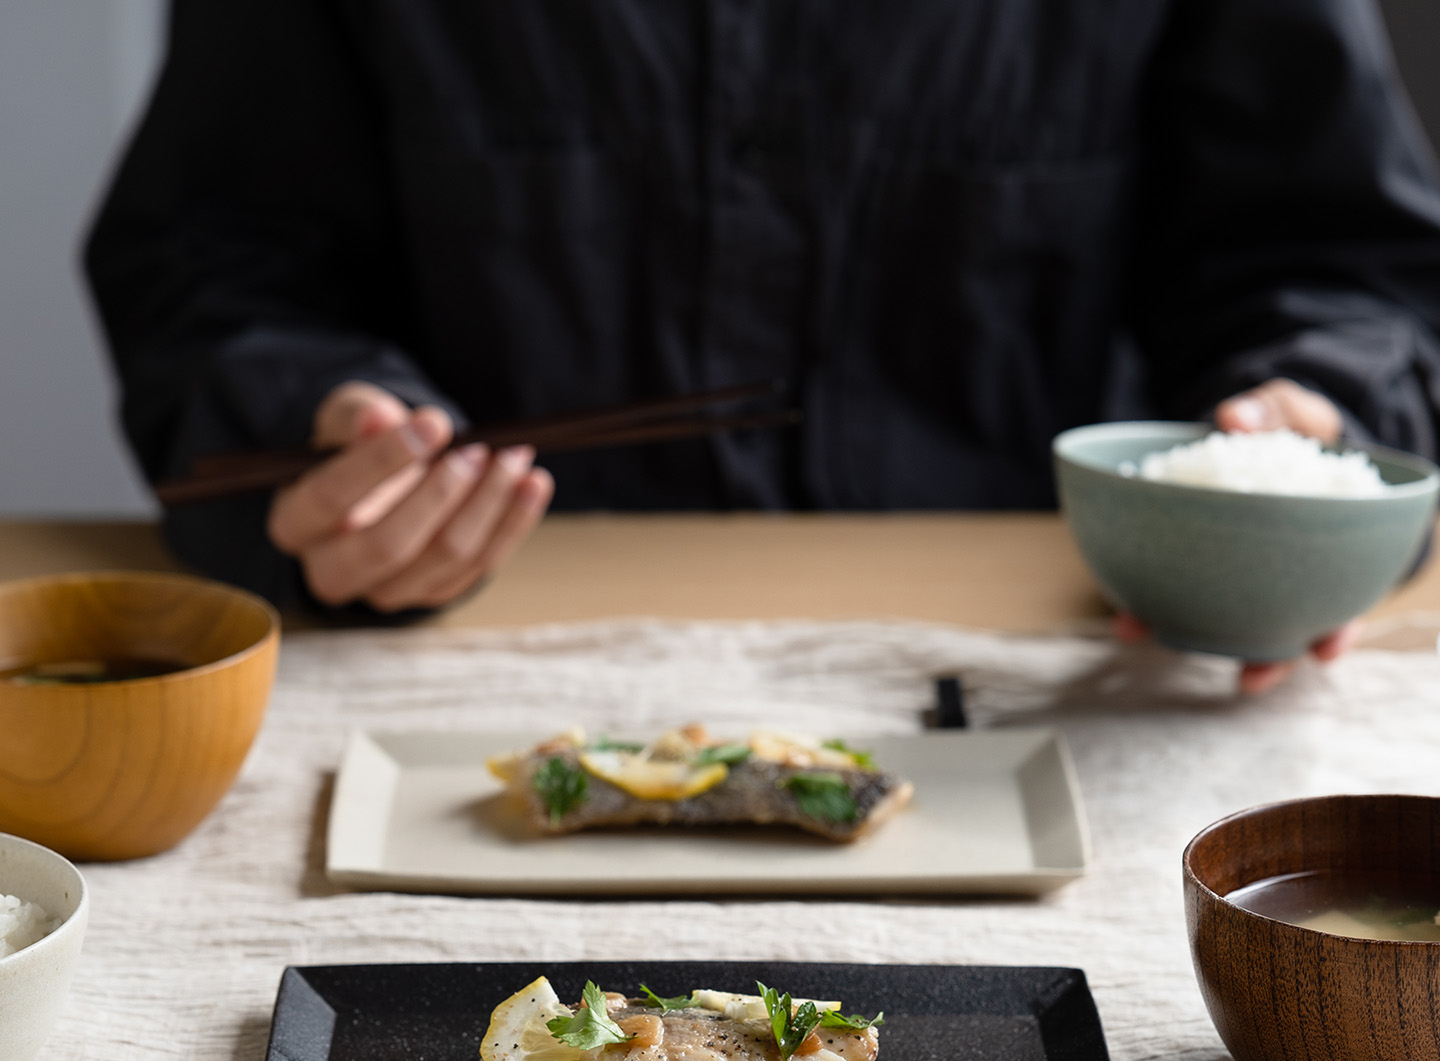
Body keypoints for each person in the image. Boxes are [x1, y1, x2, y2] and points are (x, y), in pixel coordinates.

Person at [86, 1, 1440, 690]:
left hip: (1039, 656)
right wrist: (324, 436)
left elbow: (1334, 262)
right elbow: (211, 258)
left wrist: (1307, 434)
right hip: (461, 643)